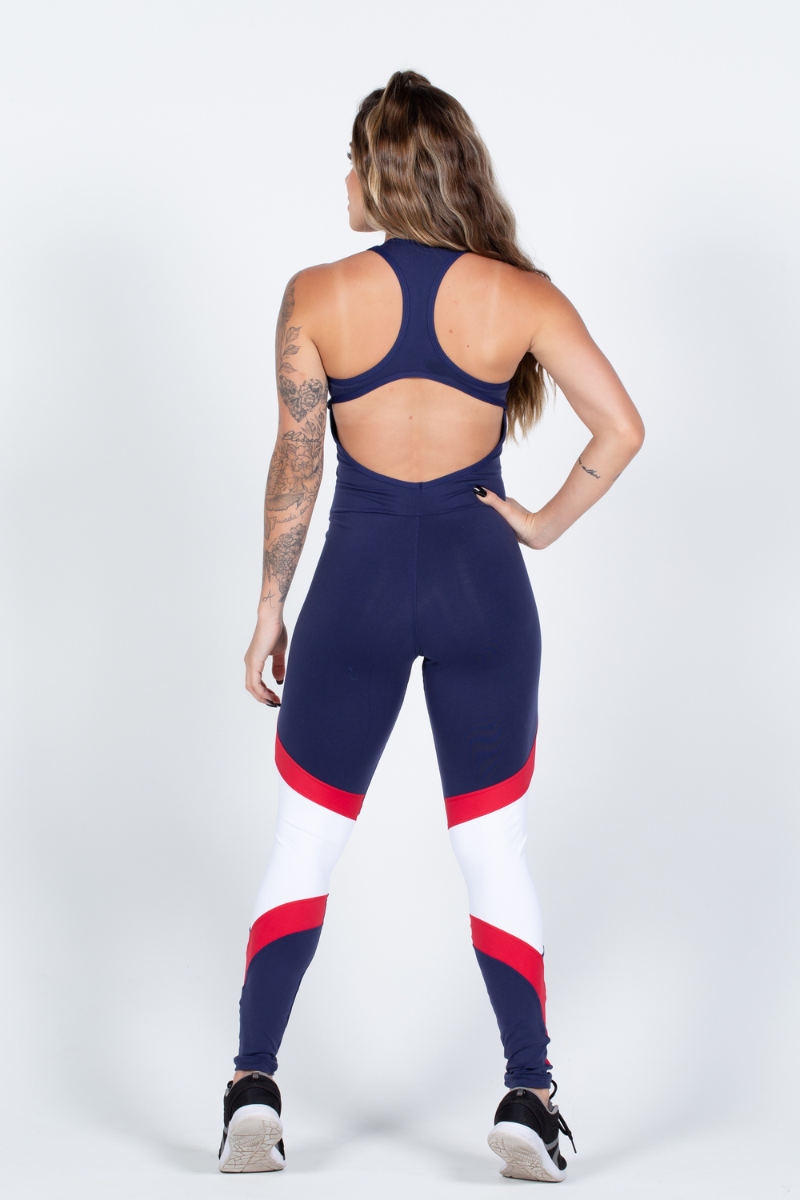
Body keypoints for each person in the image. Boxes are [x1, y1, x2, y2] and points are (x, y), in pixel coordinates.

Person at [217, 70, 645, 1182]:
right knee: (492, 847)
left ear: (385, 169)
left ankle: (252, 1087)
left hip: (354, 587)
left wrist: (268, 604)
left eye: (353, 158)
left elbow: (299, 461)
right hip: (479, 587)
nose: (344, 179)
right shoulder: (521, 296)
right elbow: (619, 427)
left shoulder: (315, 295)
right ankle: (527, 1097)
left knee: (304, 839)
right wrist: (539, 523)